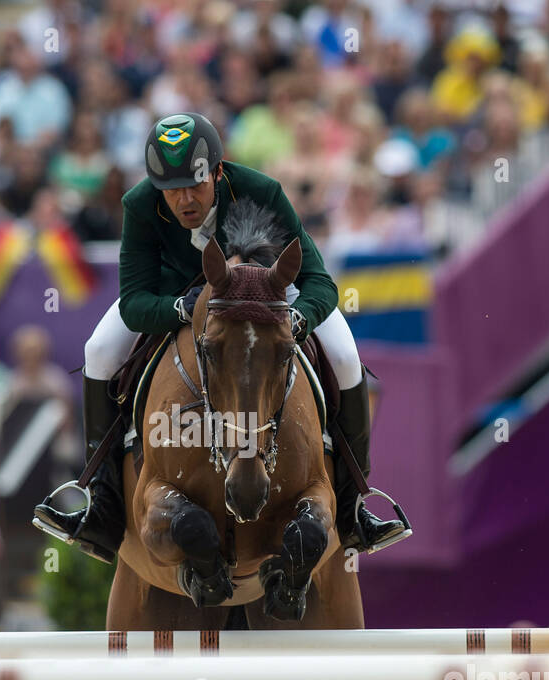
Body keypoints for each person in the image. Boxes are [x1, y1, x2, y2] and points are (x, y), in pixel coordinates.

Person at [34, 112, 409, 563]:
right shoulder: (139, 206)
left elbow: (319, 282)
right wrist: (182, 310)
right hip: (175, 297)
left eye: (195, 185)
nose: (185, 200)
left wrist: (300, 320)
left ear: (217, 171)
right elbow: (133, 301)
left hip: (268, 297)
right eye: (172, 190)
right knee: (97, 351)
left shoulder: (261, 191)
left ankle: (354, 505)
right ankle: (100, 500)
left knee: (347, 358)